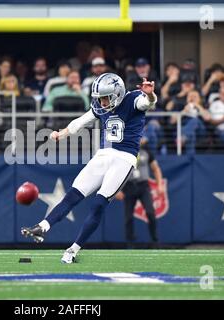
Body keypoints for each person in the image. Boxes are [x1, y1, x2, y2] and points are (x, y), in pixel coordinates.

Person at [22, 73, 157, 263]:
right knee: (73, 194)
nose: (102, 102)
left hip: (124, 158)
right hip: (103, 154)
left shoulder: (133, 99)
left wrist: (150, 95)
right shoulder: (101, 106)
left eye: (105, 97)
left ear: (117, 93)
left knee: (98, 204)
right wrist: (63, 133)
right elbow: (81, 121)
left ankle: (73, 249)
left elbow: (147, 103)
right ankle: (42, 227)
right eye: (100, 98)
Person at [115, 143, 164, 244]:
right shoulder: (124, 152)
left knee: (150, 212)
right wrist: (117, 189)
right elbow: (116, 171)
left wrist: (160, 185)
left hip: (143, 186)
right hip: (129, 186)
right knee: (128, 216)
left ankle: (154, 240)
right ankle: (130, 241)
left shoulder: (147, 152)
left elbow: (156, 169)